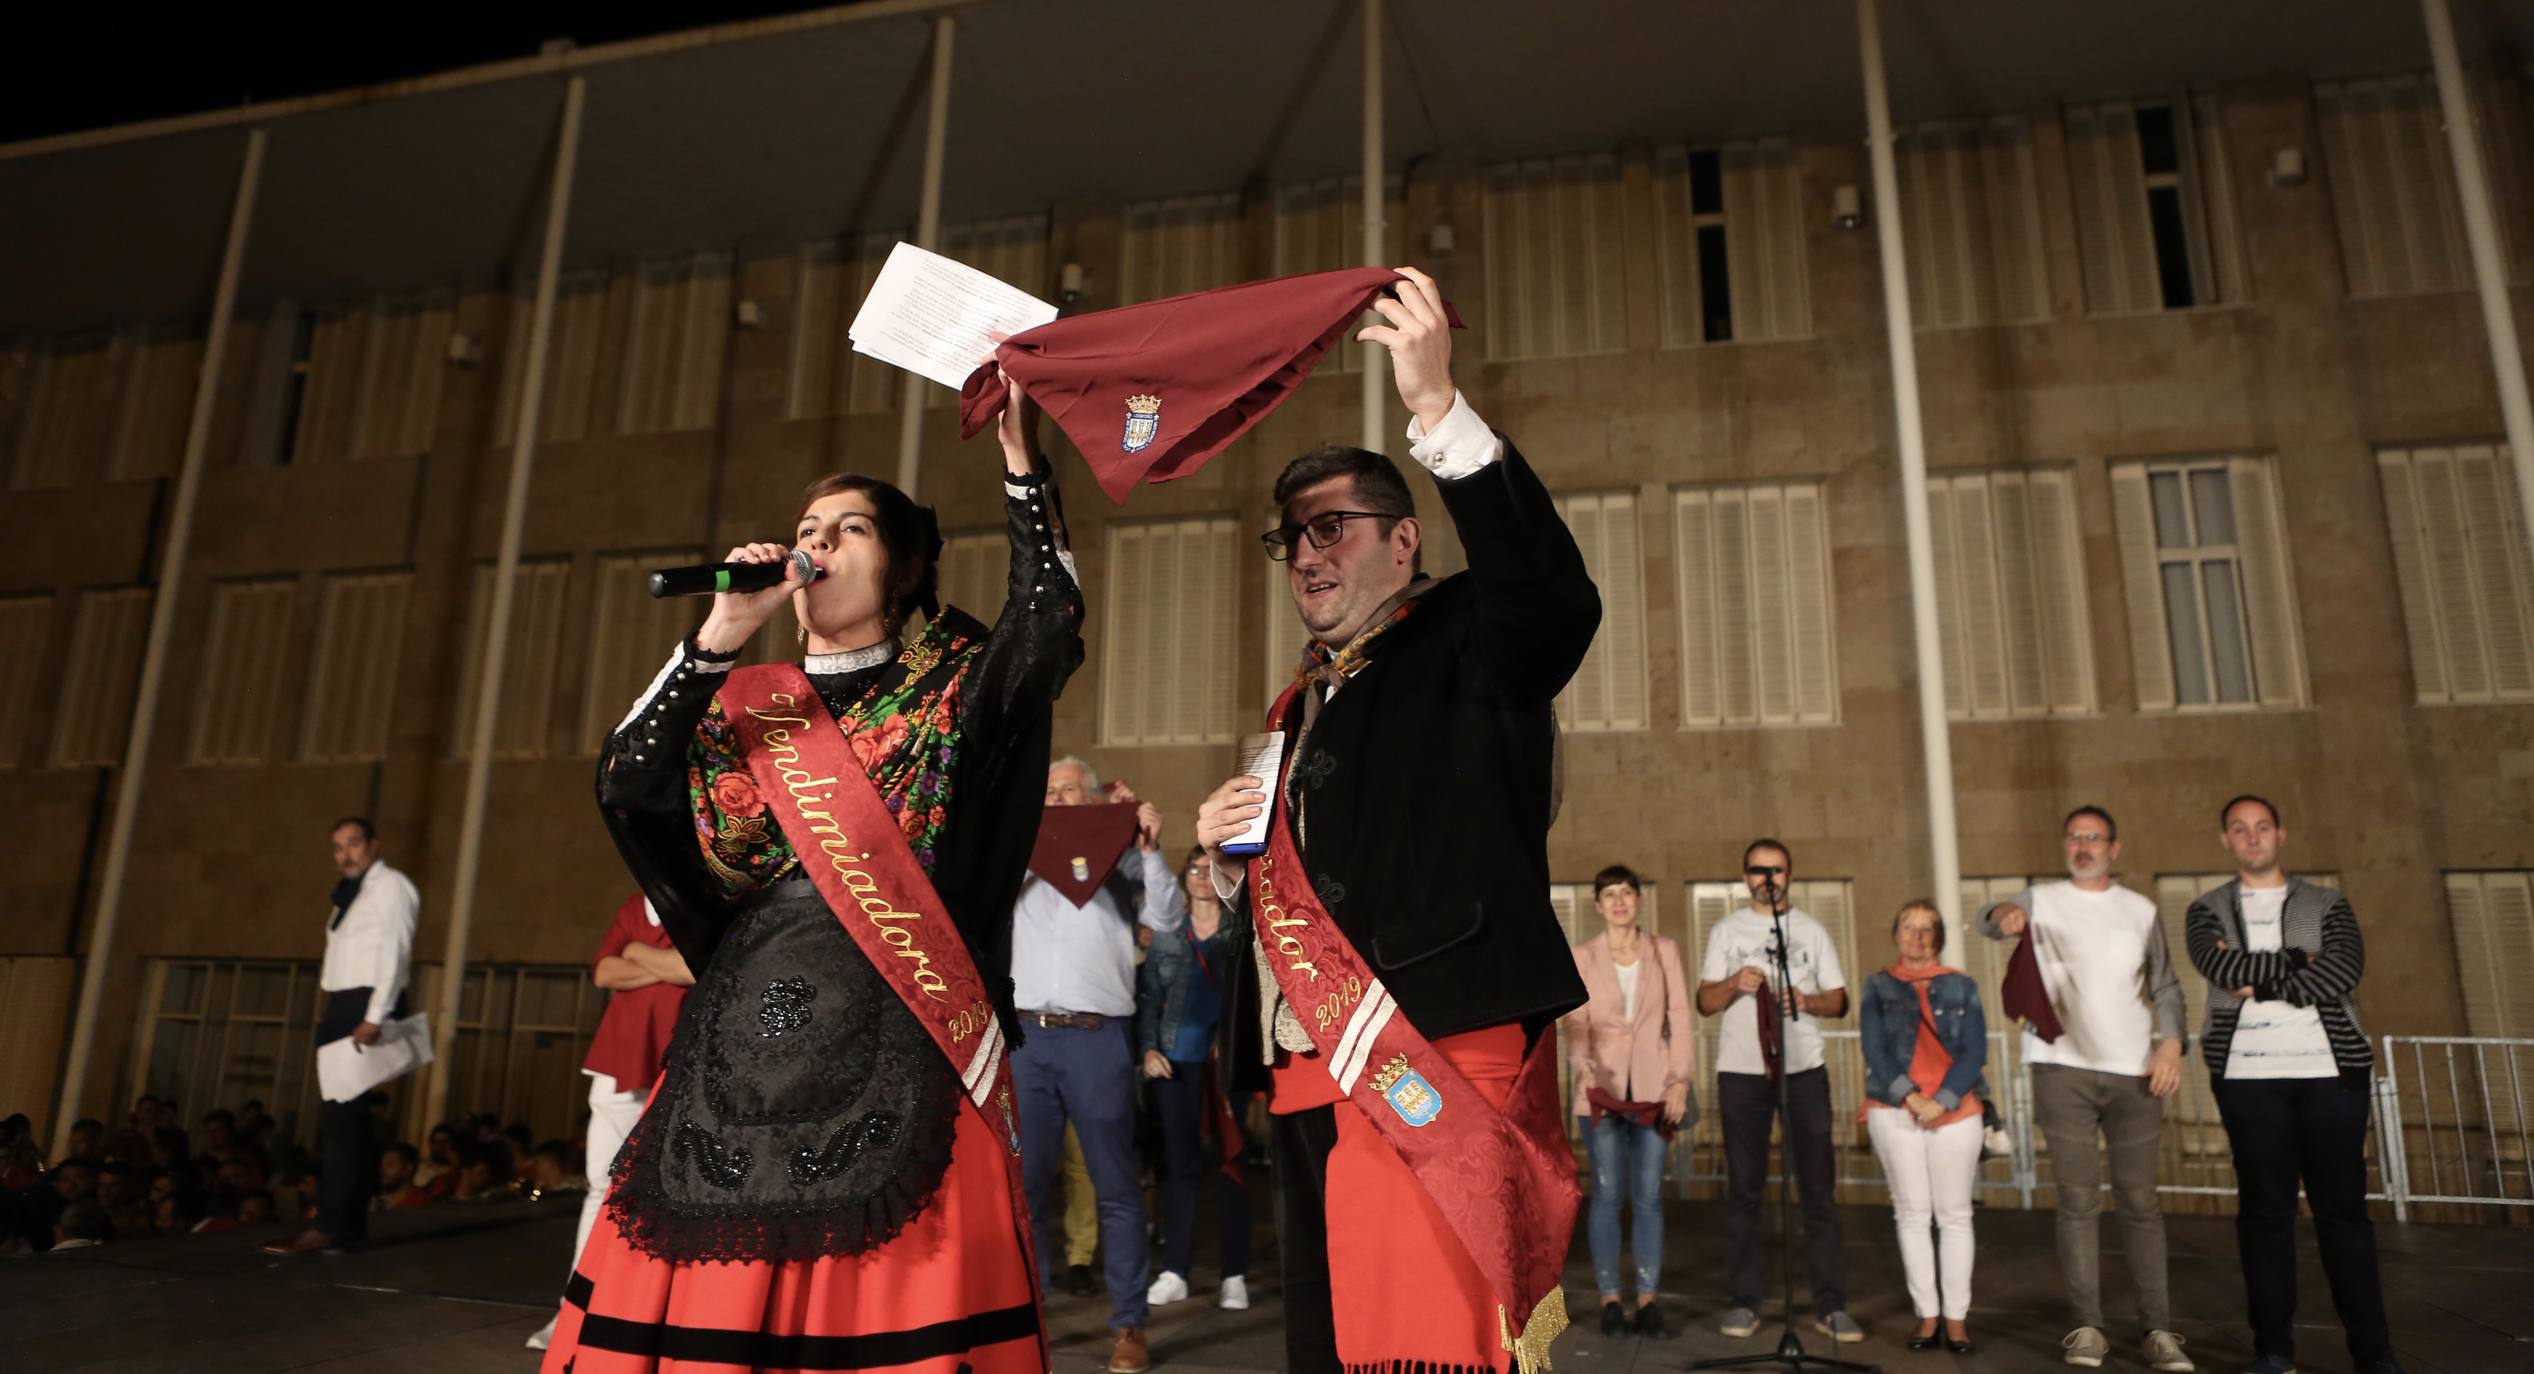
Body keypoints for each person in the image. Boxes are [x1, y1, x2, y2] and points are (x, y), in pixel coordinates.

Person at [541, 378, 1080, 1374]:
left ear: (907, 566)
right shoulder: (738, 699)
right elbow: (625, 781)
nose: (817, 544)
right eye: (807, 528)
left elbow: (1045, 627)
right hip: (736, 1052)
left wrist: (1018, 461)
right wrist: (716, 639)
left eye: (850, 529)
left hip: (906, 1034)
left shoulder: (957, 686)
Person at [1195, 266, 1596, 1374]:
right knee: (1329, 1347)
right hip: (1304, 1065)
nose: (1308, 555)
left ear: (1404, 540)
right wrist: (1227, 863)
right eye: (1292, 540)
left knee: (1426, 1344)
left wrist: (1436, 411)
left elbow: (1552, 598)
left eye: (1331, 529)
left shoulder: (1472, 633)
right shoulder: (1299, 701)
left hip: (1435, 1043)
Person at [2186, 796, 2404, 1374]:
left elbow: (2343, 971)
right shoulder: (2205, 910)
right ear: (2225, 841)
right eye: (2239, 829)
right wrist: (2296, 961)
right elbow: (2220, 970)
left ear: (2280, 835)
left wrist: (2264, 982)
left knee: (2344, 1214)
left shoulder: (2327, 902)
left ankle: (2374, 1356)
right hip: (2248, 1078)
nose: (2252, 837)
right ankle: (2274, 1352)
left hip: (2331, 1075)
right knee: (2265, 1214)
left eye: (2262, 827)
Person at [1979, 806, 2192, 1372]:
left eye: (2094, 837)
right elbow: (1987, 920)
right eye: (2074, 836)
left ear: (2114, 849)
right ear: (2065, 844)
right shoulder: (2040, 898)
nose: (2083, 845)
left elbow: (2166, 984)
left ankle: (2159, 1330)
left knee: (2141, 1203)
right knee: (2077, 1201)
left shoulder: (2140, 910)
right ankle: (2088, 1327)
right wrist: (2004, 916)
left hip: (2135, 1072)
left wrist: (2171, 1044)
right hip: (2061, 1067)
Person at [1011, 756, 1185, 1371]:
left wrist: (1150, 848)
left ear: (1091, 798)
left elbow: (1166, 920)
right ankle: (1020, 1318)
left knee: (1114, 1186)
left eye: (1069, 790)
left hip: (1096, 1039)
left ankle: (1129, 1323)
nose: (1057, 798)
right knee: (1022, 1190)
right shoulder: (1018, 854)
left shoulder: (1122, 858)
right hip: (1026, 1039)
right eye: (1049, 789)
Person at [1696, 839, 1861, 1343]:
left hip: (1802, 1069)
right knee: (1744, 1189)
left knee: (1816, 1190)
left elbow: (1840, 1000)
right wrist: (1733, 985)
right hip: (1742, 1073)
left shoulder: (1810, 929)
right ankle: (1745, 1302)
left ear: (1790, 874)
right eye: (1757, 869)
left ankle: (1830, 1305)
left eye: (1776, 869)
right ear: (1745, 876)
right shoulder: (1726, 930)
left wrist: (1806, 999)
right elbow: (1704, 1000)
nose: (1767, 877)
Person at [526, 893, 695, 1352]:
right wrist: (662, 962)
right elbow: (603, 971)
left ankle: (647, 1314)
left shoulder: (696, 898)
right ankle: (571, 1311)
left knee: (675, 1189)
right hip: (619, 1057)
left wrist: (637, 954)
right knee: (601, 1184)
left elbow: (693, 969)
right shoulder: (631, 907)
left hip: (682, 1059)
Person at [264, 816, 420, 1257]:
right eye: (338, 847)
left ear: (373, 843)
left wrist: (374, 1014)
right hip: (343, 1006)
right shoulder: (351, 893)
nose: (345, 854)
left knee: (341, 1120)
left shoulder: (391, 886)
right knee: (345, 1120)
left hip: (363, 1006)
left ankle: (330, 1225)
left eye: (353, 844)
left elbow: (396, 950)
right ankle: (347, 1224)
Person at [1561, 864, 1692, 1339]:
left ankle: (1649, 1297)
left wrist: (1680, 1080)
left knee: (1650, 1196)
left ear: (1639, 900)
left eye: (1626, 893)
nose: (1619, 901)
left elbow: (1679, 1015)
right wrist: (1582, 1065)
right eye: (1610, 894)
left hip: (1655, 1088)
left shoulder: (1664, 951)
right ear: (1598, 905)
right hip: (1600, 1092)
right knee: (1609, 1193)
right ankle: (1610, 1297)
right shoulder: (1584, 955)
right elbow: (1575, 1023)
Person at [1859, 899, 1986, 1354]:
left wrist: (1942, 1101)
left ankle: (1956, 1318)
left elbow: (1974, 1051)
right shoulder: (1876, 985)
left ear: (1938, 937)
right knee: (1912, 1213)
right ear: (1896, 934)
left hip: (1955, 1111)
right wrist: (1910, 1096)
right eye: (1908, 926)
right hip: (1894, 1108)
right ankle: (1927, 1315)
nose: (1917, 935)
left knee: (1954, 1214)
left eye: (1926, 927)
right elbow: (1873, 1047)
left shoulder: (1963, 986)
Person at [1139, 847, 1253, 1314]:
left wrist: (1235, 1040)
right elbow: (1149, 999)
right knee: (1179, 1169)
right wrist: (1148, 1048)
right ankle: (1176, 1270)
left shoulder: (1240, 934)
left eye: (1211, 870)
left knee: (1231, 1166)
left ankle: (1234, 1274)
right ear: (1184, 879)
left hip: (1226, 1068)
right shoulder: (1166, 936)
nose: (1203, 877)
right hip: (1174, 1064)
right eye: (1194, 870)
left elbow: (1252, 999)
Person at [375, 1143, 433, 1211]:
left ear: (407, 1169)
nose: (382, 1169)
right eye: (381, 1165)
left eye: (390, 1164)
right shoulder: (375, 1200)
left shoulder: (421, 1203)